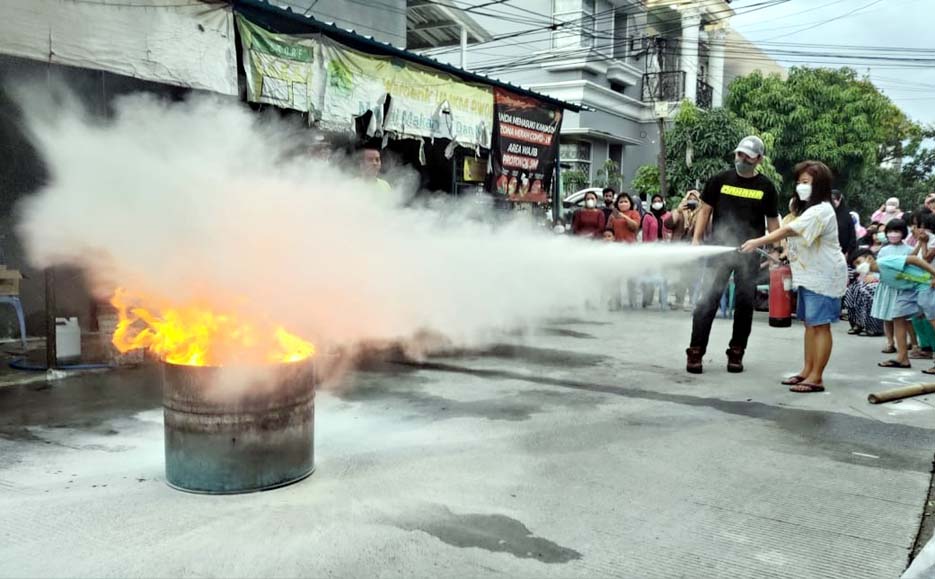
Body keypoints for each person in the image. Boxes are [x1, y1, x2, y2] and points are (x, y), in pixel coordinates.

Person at [740, 160, 848, 392]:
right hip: (809, 276)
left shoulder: (822, 210)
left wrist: (758, 241)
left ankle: (816, 378)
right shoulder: (809, 210)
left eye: (806, 182)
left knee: (820, 326)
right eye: (799, 182)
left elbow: (790, 230)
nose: (801, 186)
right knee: (810, 325)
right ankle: (807, 371)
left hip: (824, 277)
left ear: (820, 185)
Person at [686, 135, 780, 374]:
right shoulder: (720, 180)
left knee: (745, 303)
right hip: (720, 250)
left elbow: (772, 222)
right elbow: (705, 211)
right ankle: (695, 351)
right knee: (707, 301)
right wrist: (697, 240)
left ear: (759, 159)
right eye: (739, 154)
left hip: (749, 253)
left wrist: (776, 249)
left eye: (748, 156)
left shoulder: (766, 187)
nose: (742, 159)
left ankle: (736, 353)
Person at [851, 247, 935, 372]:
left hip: (924, 284)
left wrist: (934, 274)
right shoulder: (878, 273)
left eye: (859, 262)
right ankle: (902, 358)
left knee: (932, 319)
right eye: (855, 265)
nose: (858, 267)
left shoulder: (884, 262)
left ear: (869, 258)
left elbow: (914, 259)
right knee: (897, 316)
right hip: (909, 290)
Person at [869, 219, 913, 354]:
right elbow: (877, 268)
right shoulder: (884, 251)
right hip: (886, 287)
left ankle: (910, 342)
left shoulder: (909, 250)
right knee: (886, 315)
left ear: (903, 233)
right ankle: (890, 342)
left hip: (902, 288)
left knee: (905, 318)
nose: (893, 234)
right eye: (890, 231)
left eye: (897, 231)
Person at [666, 190, 704, 308]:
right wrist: (678, 210)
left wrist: (704, 210)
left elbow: (708, 229)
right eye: (689, 199)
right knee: (680, 276)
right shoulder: (680, 212)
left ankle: (693, 301)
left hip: (695, 249)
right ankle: (679, 301)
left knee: (693, 276)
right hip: (680, 248)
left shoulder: (702, 214)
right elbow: (668, 224)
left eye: (695, 199)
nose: (692, 202)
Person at [831, 190, 857, 256]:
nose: (833, 201)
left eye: (835, 198)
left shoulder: (846, 216)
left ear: (840, 199)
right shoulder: (826, 214)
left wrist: (848, 252)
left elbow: (852, 236)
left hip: (844, 253)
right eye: (831, 199)